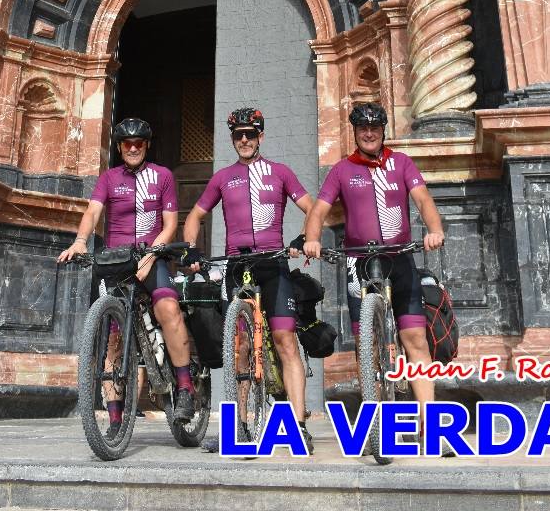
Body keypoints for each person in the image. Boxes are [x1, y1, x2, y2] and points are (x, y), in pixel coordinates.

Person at [303, 101, 445, 456]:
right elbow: (319, 210)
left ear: (383, 130)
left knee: (415, 339)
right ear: (355, 132)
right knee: (365, 345)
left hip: (400, 259)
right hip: (359, 263)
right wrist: (312, 238)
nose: (369, 132)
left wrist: (434, 230)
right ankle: (375, 426)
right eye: (362, 128)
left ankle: (431, 429)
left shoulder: (401, 163)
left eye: (375, 127)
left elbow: (423, 199)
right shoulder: (341, 169)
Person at [182, 107, 315, 453]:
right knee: (240, 348)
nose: (244, 140)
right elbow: (195, 215)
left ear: (261, 136)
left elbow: (312, 208)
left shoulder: (280, 172)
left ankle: (299, 425)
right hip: (237, 264)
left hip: (273, 264)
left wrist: (303, 238)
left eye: (250, 134)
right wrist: (192, 251)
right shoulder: (223, 178)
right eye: (238, 135)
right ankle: (240, 425)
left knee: (285, 339)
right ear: (232, 139)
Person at [58, 117, 195, 432]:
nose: (133, 148)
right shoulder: (108, 178)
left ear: (146, 145)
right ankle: (116, 419)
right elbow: (93, 211)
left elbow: (171, 224)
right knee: (113, 340)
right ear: (120, 148)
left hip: (151, 255)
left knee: (168, 309)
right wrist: (80, 241)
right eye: (127, 144)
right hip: (116, 261)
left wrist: (150, 254)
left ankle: (185, 387)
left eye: (139, 143)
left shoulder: (162, 176)